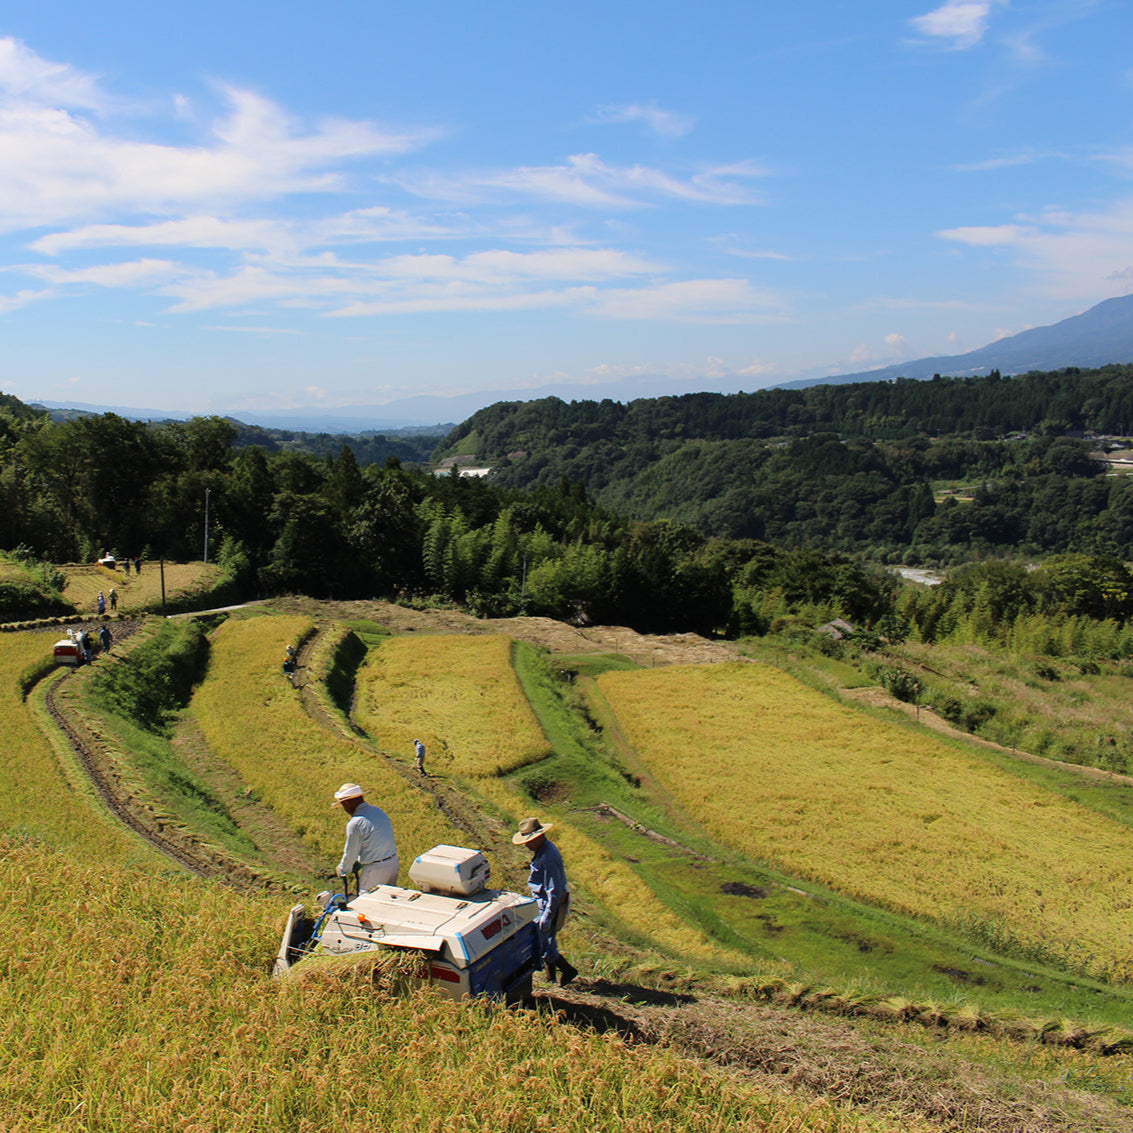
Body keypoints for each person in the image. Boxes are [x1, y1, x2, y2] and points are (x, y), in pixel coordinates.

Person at [513, 816, 577, 987]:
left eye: (530, 841)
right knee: (547, 938)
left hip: (549, 904)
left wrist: (547, 916)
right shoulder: (545, 850)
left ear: (539, 837)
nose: (527, 845)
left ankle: (567, 970)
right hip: (545, 902)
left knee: (542, 939)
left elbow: (553, 890)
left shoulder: (547, 857)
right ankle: (552, 977)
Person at [332, 783, 398, 892]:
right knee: (389, 900)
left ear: (347, 802)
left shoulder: (356, 823)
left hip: (375, 869)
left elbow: (351, 852)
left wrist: (343, 869)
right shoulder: (378, 811)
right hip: (393, 863)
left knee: (366, 902)